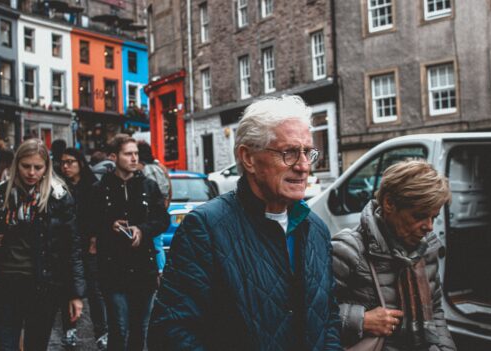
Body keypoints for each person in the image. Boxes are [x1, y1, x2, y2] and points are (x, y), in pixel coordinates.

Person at [148, 95, 341, 350]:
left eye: (308, 152)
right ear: (248, 158)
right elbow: (171, 334)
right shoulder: (205, 228)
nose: (304, 166)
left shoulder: (315, 229)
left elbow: (328, 319)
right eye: (290, 153)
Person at [0, 138, 85, 350]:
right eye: (26, 166)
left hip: (43, 286)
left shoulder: (58, 197)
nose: (31, 173)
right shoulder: (1, 194)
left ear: (46, 167)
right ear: (17, 165)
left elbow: (72, 247)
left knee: (36, 344)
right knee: (5, 345)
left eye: (38, 167)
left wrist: (75, 294)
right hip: (5, 285)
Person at [331, 160, 456, 351]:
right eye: (419, 216)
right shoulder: (349, 249)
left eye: (434, 217)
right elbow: (308, 313)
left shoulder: (426, 249)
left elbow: (435, 311)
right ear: (389, 203)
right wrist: (361, 319)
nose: (429, 227)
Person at [91, 134, 169, 350]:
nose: (134, 158)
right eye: (128, 154)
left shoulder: (148, 186)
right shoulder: (101, 189)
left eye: (136, 153)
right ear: (114, 157)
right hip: (113, 268)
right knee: (119, 327)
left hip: (143, 268)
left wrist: (142, 231)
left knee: (139, 330)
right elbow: (89, 222)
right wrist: (110, 226)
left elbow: (163, 219)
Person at [60, 148, 108, 350]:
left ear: (80, 163)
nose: (66, 166)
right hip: (65, 245)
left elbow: (100, 216)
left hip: (88, 244)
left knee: (95, 291)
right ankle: (69, 329)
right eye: (63, 162)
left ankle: (101, 331)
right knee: (66, 288)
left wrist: (95, 240)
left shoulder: (92, 186)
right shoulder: (59, 187)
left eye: (70, 162)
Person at [137, 141, 172, 276]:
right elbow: (169, 187)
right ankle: (161, 271)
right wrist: (166, 203)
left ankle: (159, 273)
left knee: (154, 242)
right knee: (158, 242)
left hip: (150, 211)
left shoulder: (142, 169)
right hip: (161, 207)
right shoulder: (160, 167)